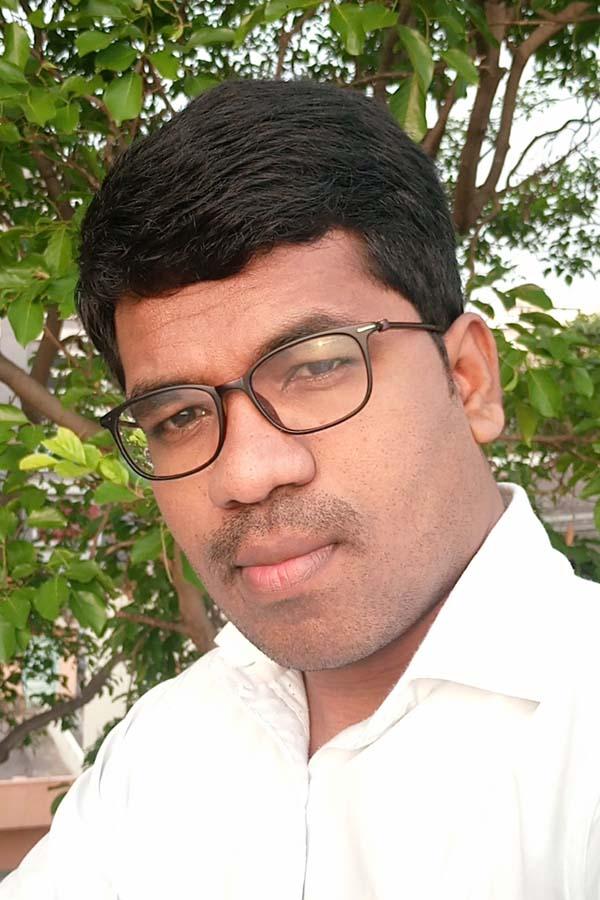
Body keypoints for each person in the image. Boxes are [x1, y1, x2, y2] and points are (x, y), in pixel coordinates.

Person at [3, 78, 600, 900]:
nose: (245, 474)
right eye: (179, 416)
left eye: (317, 367)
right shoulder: (163, 750)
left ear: (467, 379)